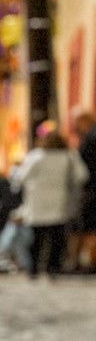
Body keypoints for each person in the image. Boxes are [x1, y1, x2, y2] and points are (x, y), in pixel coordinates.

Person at [13, 122, 88, 280]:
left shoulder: (36, 156)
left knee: (36, 238)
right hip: (60, 201)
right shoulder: (69, 156)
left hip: (37, 202)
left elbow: (21, 176)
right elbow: (82, 176)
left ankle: (33, 269)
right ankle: (52, 268)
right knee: (56, 239)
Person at [71, 110, 96, 271]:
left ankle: (86, 262)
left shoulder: (89, 138)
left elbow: (82, 170)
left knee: (87, 227)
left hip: (91, 189)